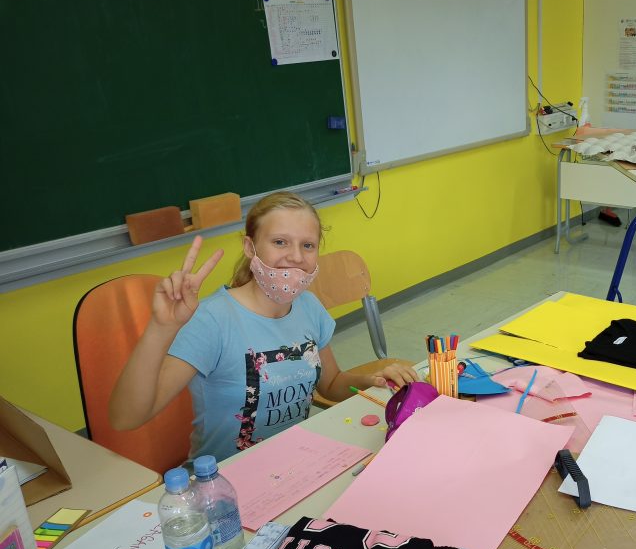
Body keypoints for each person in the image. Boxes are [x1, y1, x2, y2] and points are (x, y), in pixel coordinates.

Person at [110, 192, 419, 463]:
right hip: (226, 478)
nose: (295, 256)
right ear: (250, 247)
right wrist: (161, 328)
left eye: (308, 245)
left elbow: (331, 384)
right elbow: (126, 418)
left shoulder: (309, 307)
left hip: (296, 461)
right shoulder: (212, 320)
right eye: (280, 242)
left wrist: (373, 379)